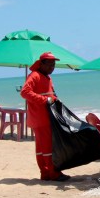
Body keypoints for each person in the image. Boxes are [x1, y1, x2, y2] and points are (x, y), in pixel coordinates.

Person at [20, 52, 70, 182]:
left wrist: (54, 99)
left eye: (54, 65)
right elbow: (24, 92)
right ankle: (53, 173)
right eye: (49, 65)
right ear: (41, 63)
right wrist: (45, 100)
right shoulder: (34, 76)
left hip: (44, 117)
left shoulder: (47, 77)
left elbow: (50, 94)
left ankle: (45, 173)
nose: (52, 67)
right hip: (40, 118)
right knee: (47, 147)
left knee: (42, 148)